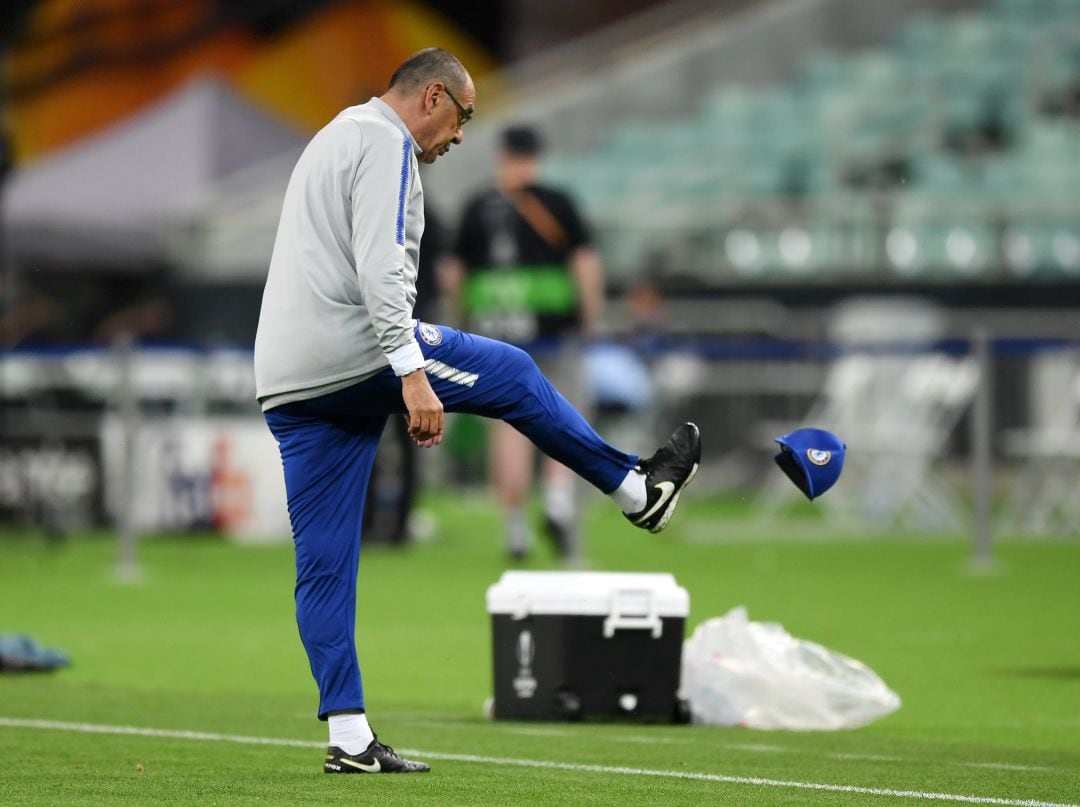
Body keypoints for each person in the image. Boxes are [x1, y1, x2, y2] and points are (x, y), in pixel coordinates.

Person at [254, 47, 700, 776]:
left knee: (324, 568)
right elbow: (380, 269)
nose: (459, 136)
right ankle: (636, 489)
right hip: (355, 353)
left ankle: (350, 734)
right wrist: (413, 375)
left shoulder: (335, 133)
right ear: (432, 98)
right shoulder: (387, 143)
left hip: (288, 378)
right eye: (461, 117)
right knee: (515, 371)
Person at [442, 125, 604, 561]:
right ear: (536, 157)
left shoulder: (477, 205)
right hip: (554, 332)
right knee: (562, 414)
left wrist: (460, 325)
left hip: (495, 335)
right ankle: (556, 497)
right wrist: (588, 320)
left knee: (508, 430)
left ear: (502, 156)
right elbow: (585, 264)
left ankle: (514, 528)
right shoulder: (556, 203)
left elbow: (455, 274)